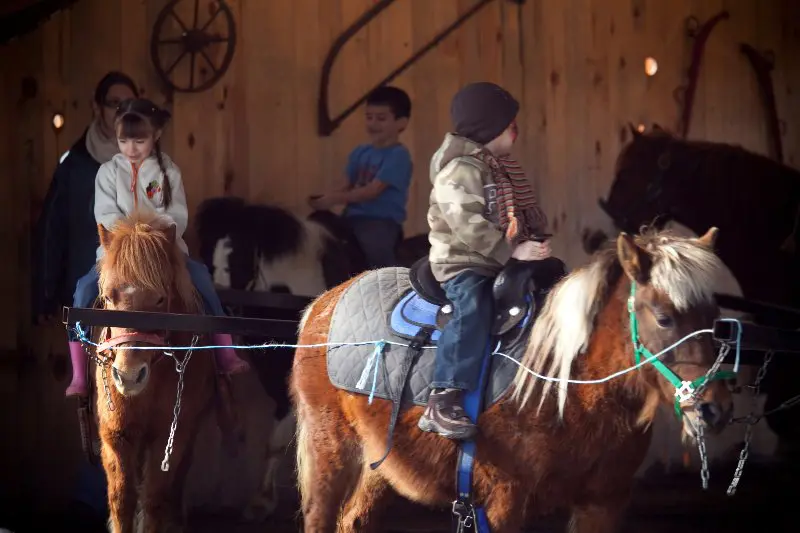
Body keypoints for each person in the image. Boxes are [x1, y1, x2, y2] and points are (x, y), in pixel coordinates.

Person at [65, 98, 249, 398]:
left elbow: (177, 215)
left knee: (202, 282)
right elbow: (105, 215)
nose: (131, 148)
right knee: (83, 291)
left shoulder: (168, 173)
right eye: (124, 140)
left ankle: (225, 353)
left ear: (156, 136)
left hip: (164, 251)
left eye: (140, 140)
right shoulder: (107, 174)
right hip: (118, 254)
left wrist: (150, 233)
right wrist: (132, 236)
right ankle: (79, 375)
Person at [418, 81, 560, 440]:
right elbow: (465, 222)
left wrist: (531, 238)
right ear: (490, 127)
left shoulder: (499, 168)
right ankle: (444, 396)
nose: (516, 130)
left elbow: (509, 214)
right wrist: (511, 250)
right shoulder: (461, 169)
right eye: (510, 123)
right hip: (465, 261)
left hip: (499, 259)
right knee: (473, 308)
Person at [32, 71, 139, 325]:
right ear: (97, 107)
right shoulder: (74, 166)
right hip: (86, 291)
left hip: (136, 293)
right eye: (115, 104)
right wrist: (45, 295)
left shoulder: (149, 163)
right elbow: (51, 232)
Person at [308, 86, 413, 269]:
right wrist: (326, 199)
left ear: (401, 123)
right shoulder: (360, 152)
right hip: (351, 218)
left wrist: (335, 198)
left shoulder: (398, 155)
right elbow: (345, 184)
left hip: (379, 222)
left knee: (377, 259)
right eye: (369, 117)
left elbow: (373, 191)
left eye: (381, 118)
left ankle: (387, 289)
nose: (373, 124)